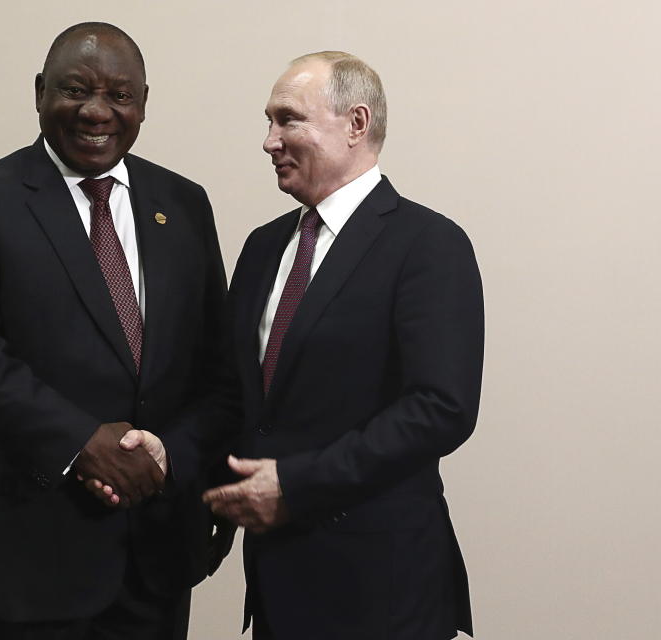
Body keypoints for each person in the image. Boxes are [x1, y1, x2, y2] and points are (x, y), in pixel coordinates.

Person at [124, 51, 484, 639]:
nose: (270, 140)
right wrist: (170, 453)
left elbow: (441, 409)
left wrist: (297, 486)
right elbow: (232, 395)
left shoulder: (429, 245)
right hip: (277, 582)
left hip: (383, 586)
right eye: (268, 121)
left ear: (356, 124)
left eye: (288, 119)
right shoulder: (265, 247)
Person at [0, 22, 228, 639]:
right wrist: (82, 442)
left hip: (158, 551)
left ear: (142, 103)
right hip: (29, 555)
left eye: (119, 95)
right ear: (39, 92)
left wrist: (169, 457)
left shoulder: (185, 204)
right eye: (76, 90)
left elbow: (217, 367)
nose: (97, 111)